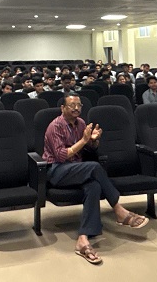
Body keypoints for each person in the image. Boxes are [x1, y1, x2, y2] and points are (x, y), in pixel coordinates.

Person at [42, 96, 149, 265]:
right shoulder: (55, 126)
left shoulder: (81, 123)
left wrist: (93, 141)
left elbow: (88, 149)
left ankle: (83, 238)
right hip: (56, 170)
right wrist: (84, 140)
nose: (76, 108)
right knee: (94, 167)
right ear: (62, 108)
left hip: (76, 168)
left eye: (79, 105)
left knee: (93, 186)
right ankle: (119, 210)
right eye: (72, 105)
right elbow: (62, 156)